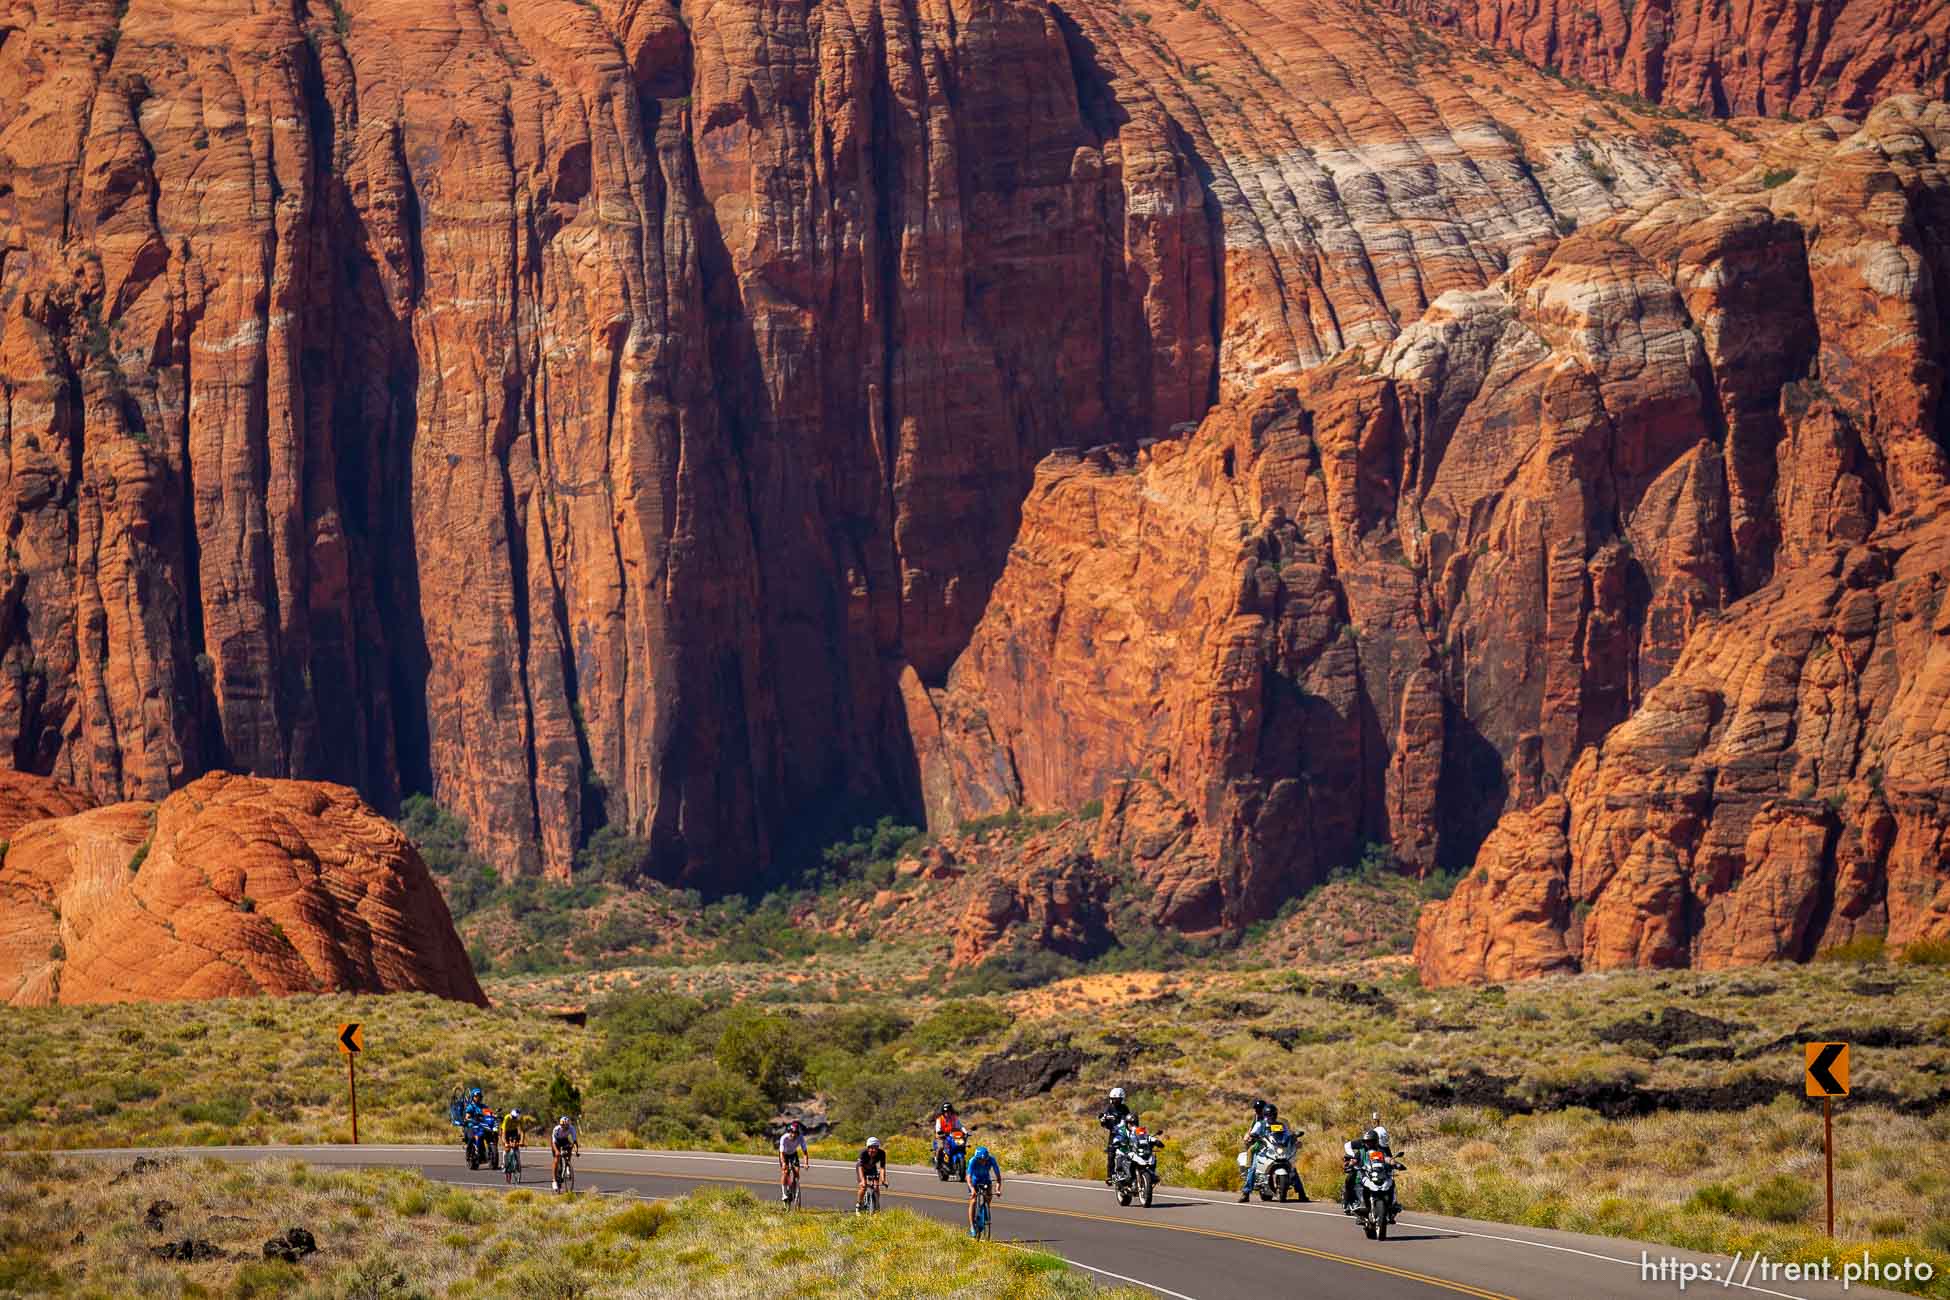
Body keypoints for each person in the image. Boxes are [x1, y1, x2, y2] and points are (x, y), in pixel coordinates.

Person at [1341, 1126, 1392, 1214]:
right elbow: (1347, 1146)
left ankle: (1391, 1203)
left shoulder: (1384, 1147)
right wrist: (1353, 1158)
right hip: (1363, 1167)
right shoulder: (1363, 1144)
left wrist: (1393, 1165)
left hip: (1377, 1170)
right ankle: (1347, 1201)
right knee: (1350, 1177)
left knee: (1390, 1179)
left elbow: (1389, 1159)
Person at [1239, 1098, 1274, 1202]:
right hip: (1260, 1144)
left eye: (1259, 1109)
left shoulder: (1271, 1119)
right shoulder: (1257, 1119)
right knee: (1253, 1168)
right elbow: (1252, 1129)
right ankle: (1246, 1192)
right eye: (1257, 1109)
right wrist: (1248, 1135)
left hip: (1273, 1146)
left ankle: (1301, 1192)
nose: (1257, 1111)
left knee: (1291, 1165)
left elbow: (1280, 1131)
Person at [1098, 1087, 1135, 1184]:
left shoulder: (1125, 1108)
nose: (1115, 1101)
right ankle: (1110, 1176)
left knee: (1132, 1152)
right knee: (1111, 1155)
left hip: (1126, 1134)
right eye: (1113, 1099)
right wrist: (1103, 1119)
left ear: (1122, 1099)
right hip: (1114, 1134)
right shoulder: (1109, 1108)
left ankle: (1132, 1173)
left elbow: (1130, 1118)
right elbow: (1104, 1119)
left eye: (1117, 1099)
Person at [965, 1143, 1002, 1236]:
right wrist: (972, 1189)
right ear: (977, 1158)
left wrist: (997, 1189)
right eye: (980, 1160)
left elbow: (998, 1177)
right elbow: (968, 1177)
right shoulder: (972, 1161)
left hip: (986, 1179)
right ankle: (972, 1226)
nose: (983, 1162)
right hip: (974, 1181)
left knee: (989, 1195)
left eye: (985, 1160)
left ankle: (985, 1209)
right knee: (973, 1200)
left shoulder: (992, 1160)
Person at [778, 1118, 809, 1202]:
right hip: (784, 1155)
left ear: (798, 1133)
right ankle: (784, 1194)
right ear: (789, 1132)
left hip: (793, 1154)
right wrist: (784, 1163)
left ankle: (794, 1188)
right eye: (792, 1133)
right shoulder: (784, 1138)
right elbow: (781, 1153)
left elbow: (805, 1152)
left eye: (796, 1133)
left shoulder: (800, 1138)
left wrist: (806, 1163)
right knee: (785, 1172)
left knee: (796, 1171)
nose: (794, 1135)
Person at [855, 1135, 888, 1210]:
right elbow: (860, 1167)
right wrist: (863, 1181)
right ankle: (859, 1204)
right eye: (871, 1148)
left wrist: (883, 1180)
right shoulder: (863, 1153)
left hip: (872, 1168)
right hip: (862, 1168)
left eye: (876, 1148)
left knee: (876, 1187)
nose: (874, 1150)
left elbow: (882, 1167)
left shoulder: (882, 1153)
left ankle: (876, 1205)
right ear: (868, 1148)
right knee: (863, 1187)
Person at [551, 1114, 580, 1191]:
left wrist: (576, 1150)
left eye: (567, 1126)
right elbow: (553, 1142)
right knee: (556, 1158)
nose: (565, 1128)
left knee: (570, 1147)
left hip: (564, 1140)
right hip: (556, 1142)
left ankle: (567, 1165)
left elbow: (574, 1141)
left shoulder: (571, 1128)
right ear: (561, 1125)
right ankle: (554, 1181)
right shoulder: (556, 1129)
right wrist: (557, 1151)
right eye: (563, 1126)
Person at [932, 1101, 961, 1168]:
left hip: (952, 1136)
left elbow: (960, 1126)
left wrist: (965, 1132)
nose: (947, 1113)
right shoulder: (939, 1119)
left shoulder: (954, 1118)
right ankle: (937, 1162)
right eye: (946, 1111)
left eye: (949, 1111)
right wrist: (940, 1132)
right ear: (943, 1112)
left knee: (959, 1145)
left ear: (951, 1111)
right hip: (941, 1137)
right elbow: (938, 1129)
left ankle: (954, 1160)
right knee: (941, 1147)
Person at [500, 1108, 524, 1185]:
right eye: (513, 1117)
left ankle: (517, 1162)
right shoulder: (507, 1118)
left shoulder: (520, 1118)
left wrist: (521, 1141)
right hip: (506, 1132)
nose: (514, 1119)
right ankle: (505, 1164)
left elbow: (522, 1131)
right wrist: (505, 1143)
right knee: (507, 1149)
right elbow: (503, 1133)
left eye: (516, 1118)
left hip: (514, 1131)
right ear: (511, 1115)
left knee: (516, 1145)